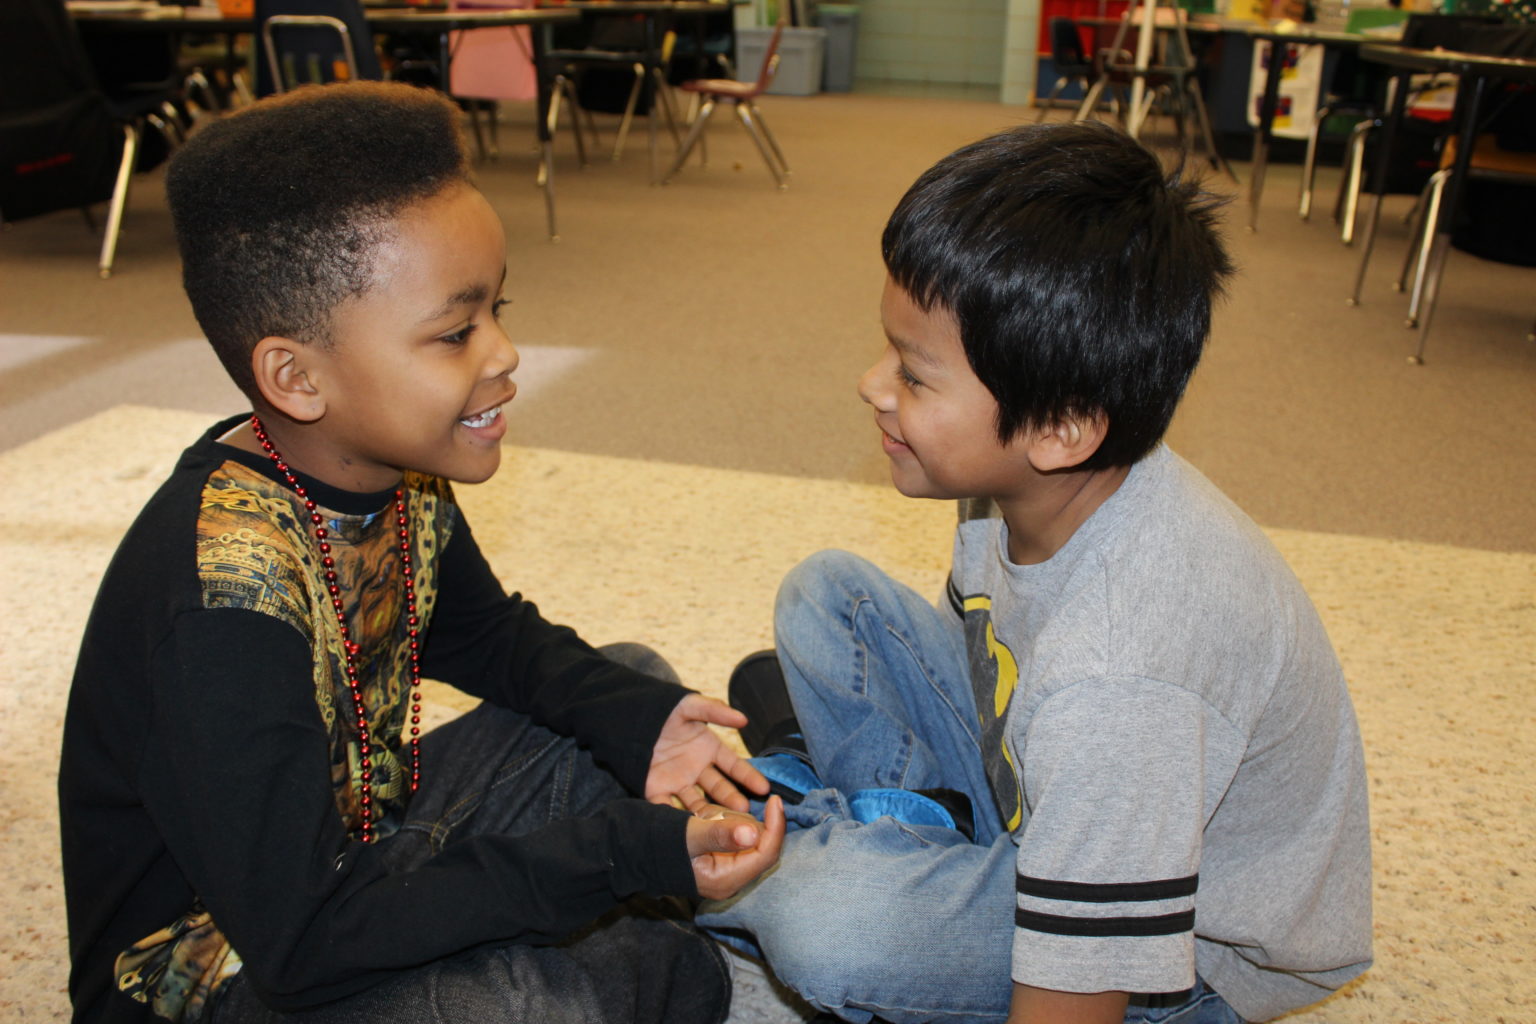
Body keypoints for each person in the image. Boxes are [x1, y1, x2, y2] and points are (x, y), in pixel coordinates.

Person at [57, 81, 784, 1024]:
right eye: (454, 332)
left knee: (623, 694)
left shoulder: (388, 466)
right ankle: (643, 952)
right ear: (296, 376)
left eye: (497, 310)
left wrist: (634, 715)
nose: (505, 353)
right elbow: (304, 942)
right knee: (535, 1002)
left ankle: (641, 945)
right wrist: (611, 858)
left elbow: (485, 636)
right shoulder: (219, 610)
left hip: (359, 849)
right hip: (223, 970)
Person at [701, 121, 1372, 1024]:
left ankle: (824, 835)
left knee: (829, 924)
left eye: (915, 374)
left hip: (1178, 955)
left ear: (1060, 427)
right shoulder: (1029, 482)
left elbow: (1075, 999)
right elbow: (994, 676)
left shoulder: (1124, 674)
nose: (872, 385)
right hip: (1041, 786)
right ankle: (886, 832)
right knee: (826, 595)